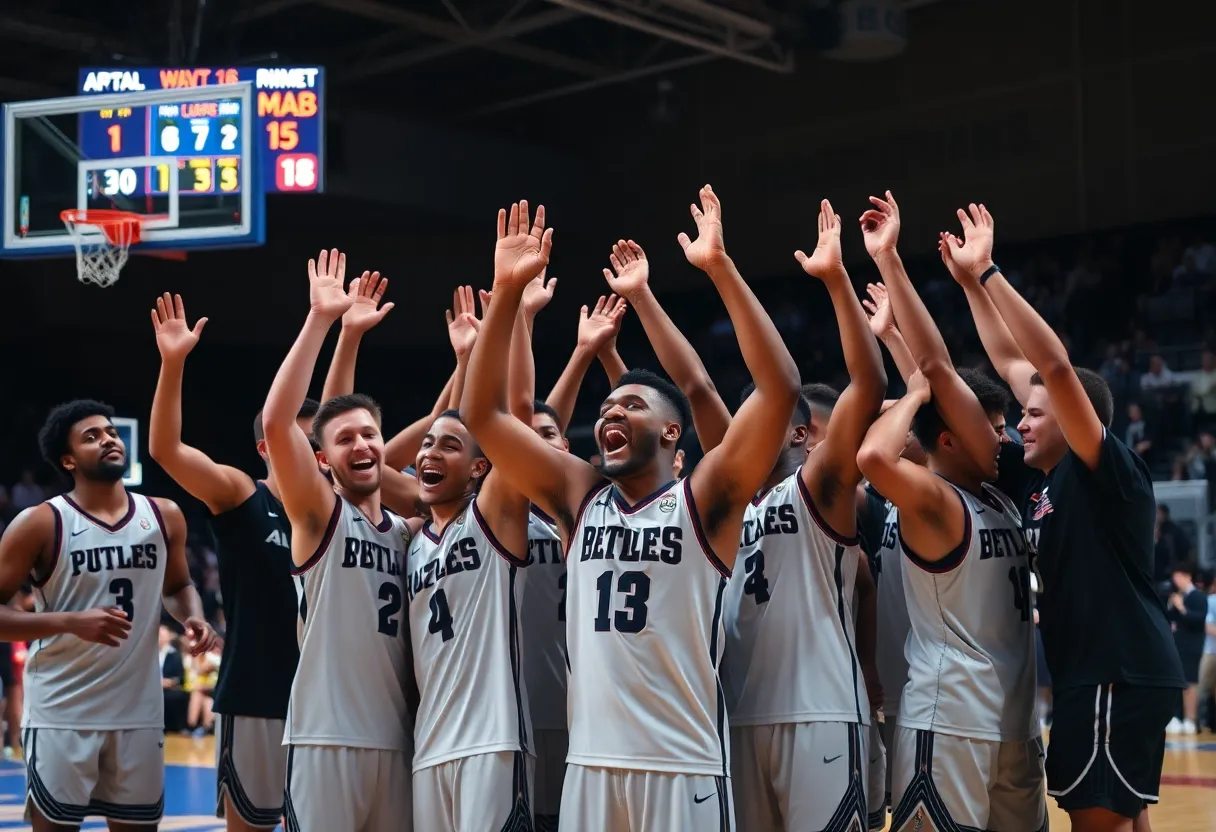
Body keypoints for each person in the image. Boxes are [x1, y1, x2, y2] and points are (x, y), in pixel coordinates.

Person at [462, 188, 801, 831]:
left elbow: (779, 388)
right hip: (590, 765)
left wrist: (720, 267)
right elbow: (485, 416)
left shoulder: (706, 499)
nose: (611, 411)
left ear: (674, 435)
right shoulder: (579, 496)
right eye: (607, 408)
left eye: (634, 406)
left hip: (683, 766)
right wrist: (506, 291)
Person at [944, 201, 1184, 831]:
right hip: (1107, 672)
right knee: (1125, 821)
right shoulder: (1041, 478)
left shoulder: (1103, 467)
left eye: (1036, 415)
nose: (1021, 421)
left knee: (1096, 824)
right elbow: (1012, 366)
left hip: (1113, 671)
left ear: (1079, 421)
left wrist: (991, 273)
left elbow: (1050, 367)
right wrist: (968, 285)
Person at [857, 191, 1045, 832]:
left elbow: (942, 381)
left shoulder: (1001, 486)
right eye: (989, 427)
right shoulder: (937, 499)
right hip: (952, 715)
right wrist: (891, 265)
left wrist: (908, 363)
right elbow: (879, 453)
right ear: (948, 439)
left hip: (1016, 715)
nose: (1004, 436)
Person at [721, 199, 887, 832]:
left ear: (795, 435)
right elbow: (697, 392)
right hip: (742, 712)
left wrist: (838, 280)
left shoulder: (818, 487)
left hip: (820, 708)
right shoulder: (727, 501)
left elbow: (866, 387)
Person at [148, 292, 329, 831]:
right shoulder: (240, 493)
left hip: (331, 697)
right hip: (255, 692)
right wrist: (173, 364)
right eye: (295, 436)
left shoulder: (339, 510)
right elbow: (165, 450)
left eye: (316, 440)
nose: (310, 450)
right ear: (266, 448)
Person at [0, 398, 219, 828]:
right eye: (91, 437)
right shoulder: (41, 523)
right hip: (62, 713)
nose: (108, 440)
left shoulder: (164, 515)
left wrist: (192, 616)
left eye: (111, 432)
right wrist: (70, 621)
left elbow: (178, 587)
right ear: (68, 460)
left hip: (138, 713)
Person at [262, 249, 418, 832]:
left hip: (401, 738)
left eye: (371, 435)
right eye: (345, 439)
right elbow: (280, 423)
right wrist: (322, 322)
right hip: (326, 737)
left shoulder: (411, 535)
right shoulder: (319, 516)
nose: (361, 445)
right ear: (321, 460)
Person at [405, 279, 538, 832]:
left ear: (480, 468)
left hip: (493, 739)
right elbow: (353, 465)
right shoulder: (408, 537)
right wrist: (459, 364)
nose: (430, 453)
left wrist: (510, 309)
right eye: (428, 444)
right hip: (428, 744)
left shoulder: (493, 520)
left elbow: (518, 417)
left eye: (450, 446)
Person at [1165, 561, 1207, 734]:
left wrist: (1182, 607)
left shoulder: (1197, 596)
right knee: (1178, 682)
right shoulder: (1178, 596)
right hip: (1178, 645)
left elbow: (1198, 620)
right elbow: (1171, 618)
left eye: (1178, 576)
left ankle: (1190, 719)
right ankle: (1177, 716)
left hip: (1192, 646)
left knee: (1190, 683)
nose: (1175, 580)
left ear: (1187, 576)